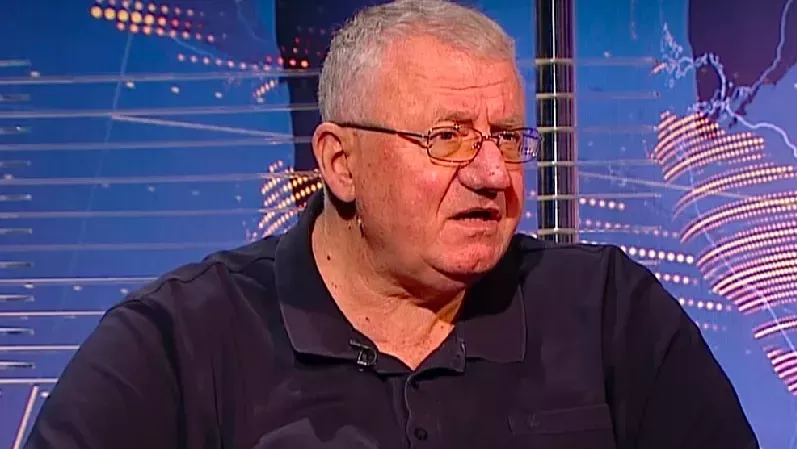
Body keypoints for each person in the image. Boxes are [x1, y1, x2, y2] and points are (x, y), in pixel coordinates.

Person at [25, 1, 757, 448]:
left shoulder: (608, 314)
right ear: (340, 163)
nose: (492, 173)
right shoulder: (178, 343)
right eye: (446, 138)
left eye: (507, 138)